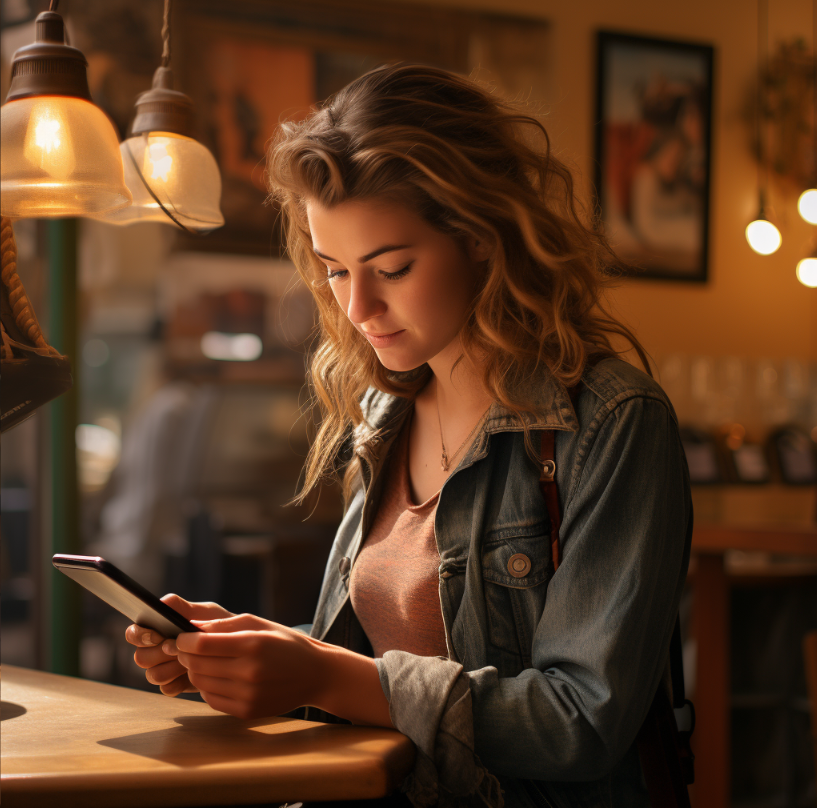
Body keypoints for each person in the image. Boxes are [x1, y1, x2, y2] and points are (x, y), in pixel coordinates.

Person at [125, 63, 692, 808]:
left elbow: (581, 719)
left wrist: (320, 673)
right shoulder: (383, 414)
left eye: (391, 267)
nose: (358, 306)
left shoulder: (613, 425)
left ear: (483, 239)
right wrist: (250, 655)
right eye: (333, 271)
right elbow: (390, 659)